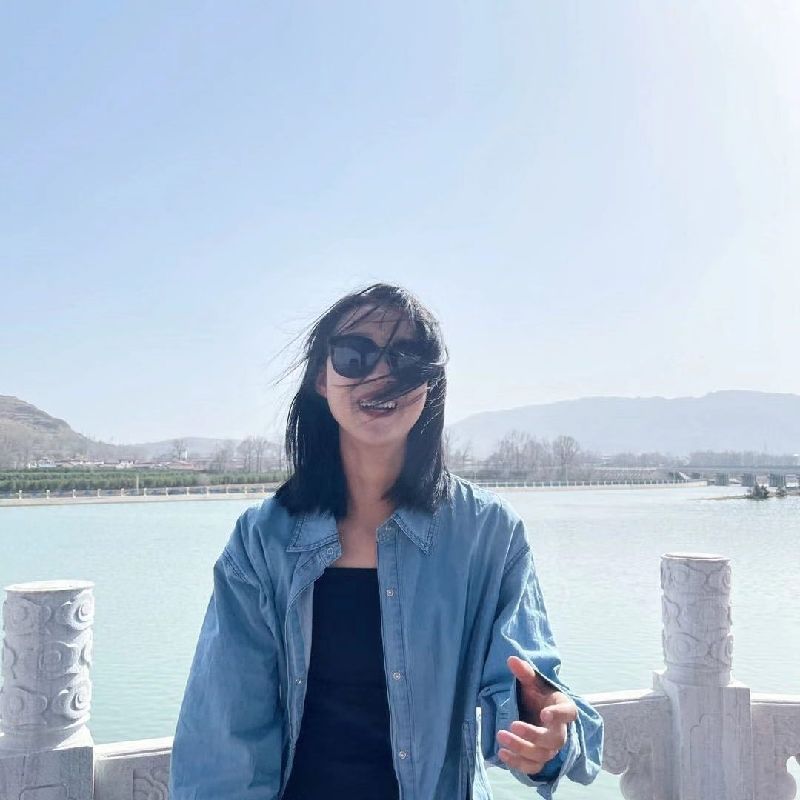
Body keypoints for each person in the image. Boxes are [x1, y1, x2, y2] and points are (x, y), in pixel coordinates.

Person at [169, 283, 603, 799]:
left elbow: (528, 683)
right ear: (321, 378)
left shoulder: (487, 532)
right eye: (354, 355)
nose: (380, 374)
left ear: (430, 382)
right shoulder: (263, 539)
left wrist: (543, 733)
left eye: (407, 357)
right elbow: (225, 730)